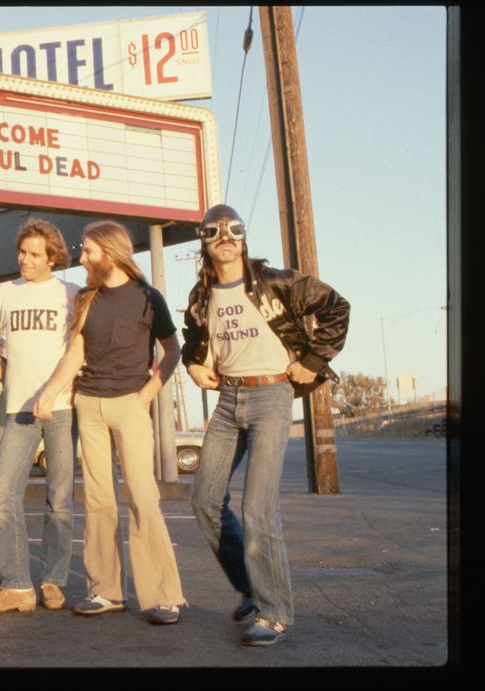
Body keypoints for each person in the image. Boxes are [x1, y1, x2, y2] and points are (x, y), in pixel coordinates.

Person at [183, 203, 349, 646]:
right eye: (213, 230)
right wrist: (192, 365)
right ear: (203, 240)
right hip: (228, 400)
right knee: (204, 501)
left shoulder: (277, 281)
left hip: (271, 395)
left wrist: (313, 361)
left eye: (233, 228)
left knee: (258, 509)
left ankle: (273, 613)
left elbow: (336, 306)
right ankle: (251, 588)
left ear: (243, 236)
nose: (225, 235)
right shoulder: (201, 298)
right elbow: (191, 340)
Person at [35, 220, 186, 625]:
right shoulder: (87, 298)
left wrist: (145, 397)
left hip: (130, 405)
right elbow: (76, 354)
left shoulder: (148, 298)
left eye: (87, 251)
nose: (81, 257)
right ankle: (105, 591)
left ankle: (163, 596)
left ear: (110, 252)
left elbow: (173, 351)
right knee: (100, 503)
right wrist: (49, 393)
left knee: (142, 497)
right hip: (90, 405)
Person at [0, 219, 79, 614]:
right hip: (19, 409)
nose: (25, 259)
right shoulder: (5, 293)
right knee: (2, 495)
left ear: (52, 257)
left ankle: (52, 579)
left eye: (35, 254)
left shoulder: (72, 293)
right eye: (22, 252)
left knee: (60, 500)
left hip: (63, 408)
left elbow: (82, 347)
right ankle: (17, 584)